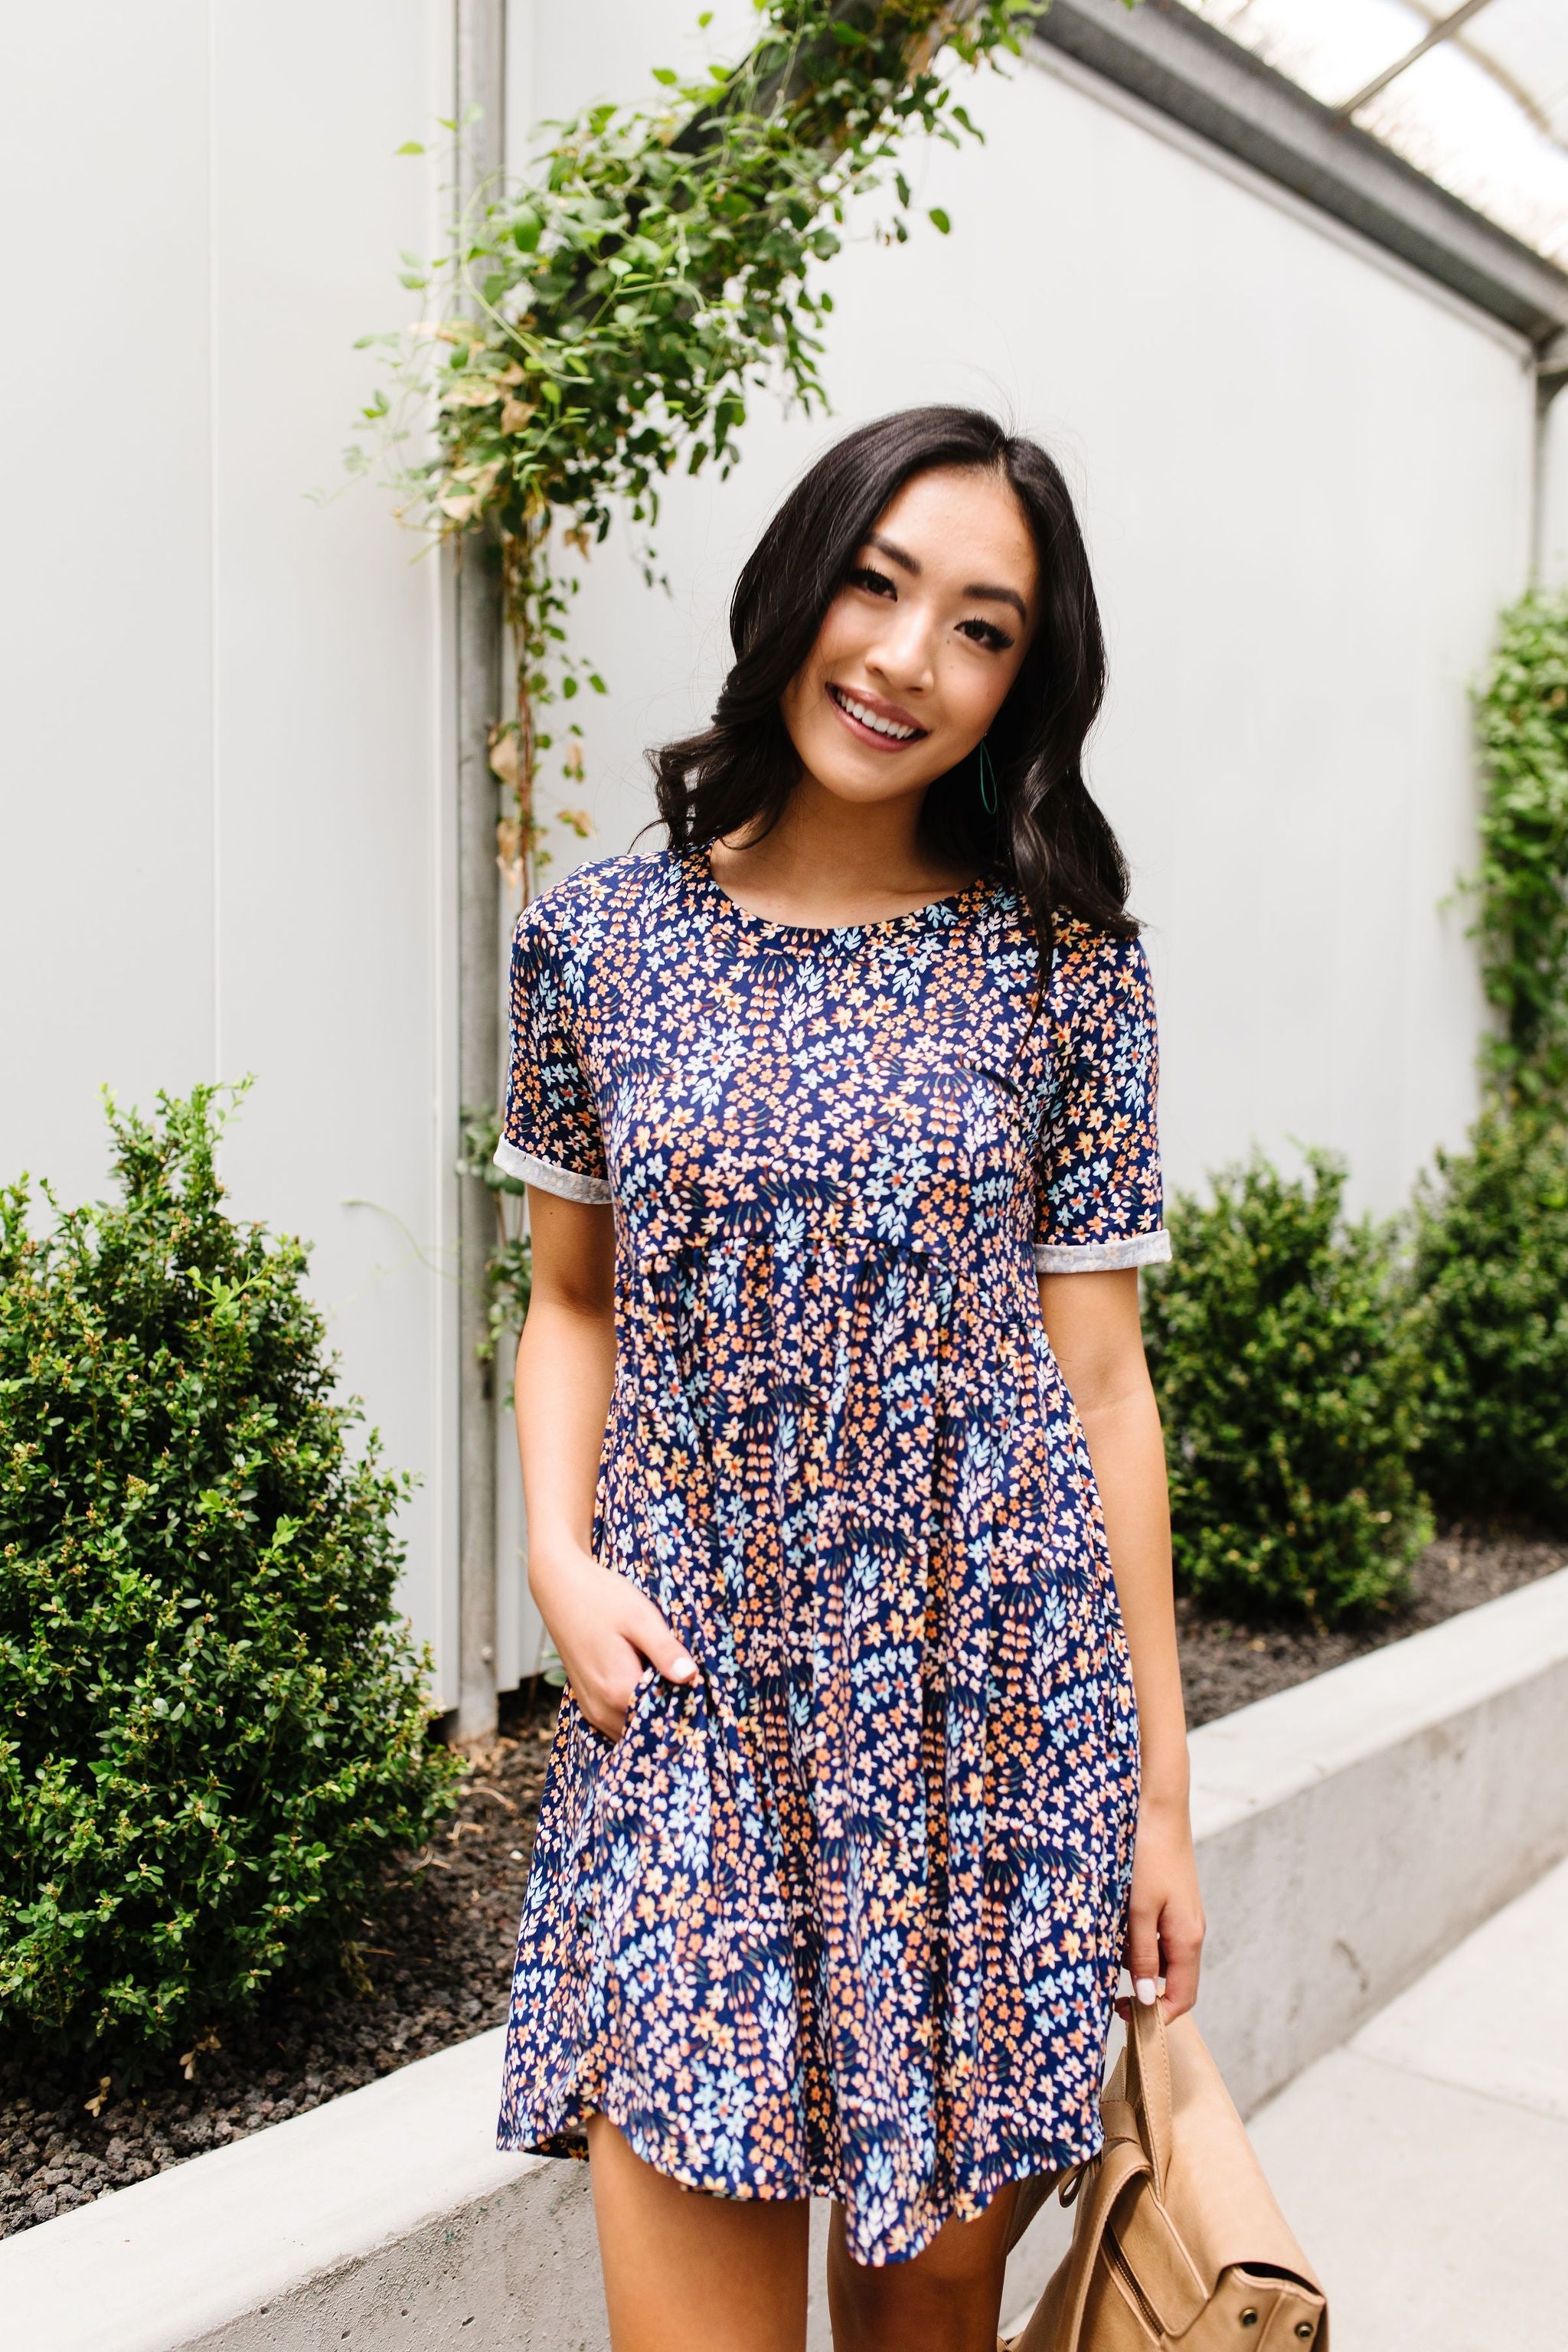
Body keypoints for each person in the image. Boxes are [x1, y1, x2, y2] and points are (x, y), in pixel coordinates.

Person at [494, 405, 1204, 2352]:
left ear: (1022, 684)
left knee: (923, 2328)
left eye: (981, 629)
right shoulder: (597, 941)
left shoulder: (1065, 971)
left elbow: (1105, 1386)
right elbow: (570, 1301)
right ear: (799, 583)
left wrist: (1157, 1797)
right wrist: (555, 1554)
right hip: (695, 1698)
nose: (905, 660)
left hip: (989, 1721)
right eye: (878, 587)